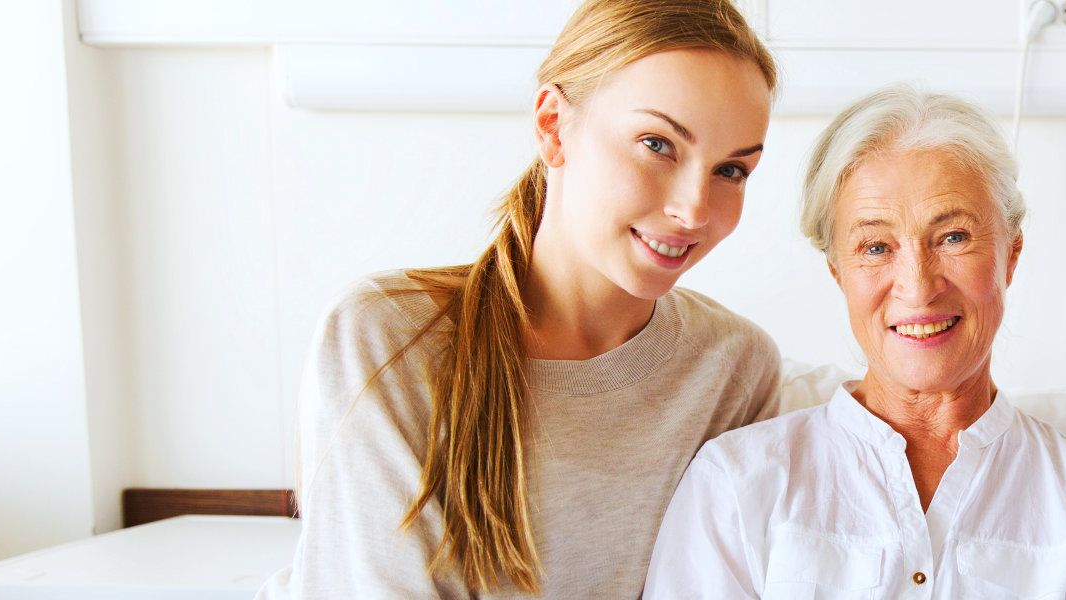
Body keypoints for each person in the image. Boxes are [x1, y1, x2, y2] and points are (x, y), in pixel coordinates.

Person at [257, 1, 781, 596]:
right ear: (554, 125)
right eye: (657, 145)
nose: (693, 208)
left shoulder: (736, 366)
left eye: (732, 170)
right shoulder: (386, 337)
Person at [641, 84, 1066, 599]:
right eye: (876, 247)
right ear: (838, 272)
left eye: (953, 237)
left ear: (1011, 255)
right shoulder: (736, 485)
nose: (918, 286)